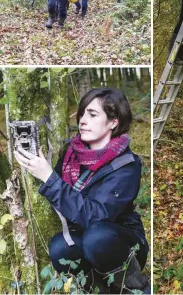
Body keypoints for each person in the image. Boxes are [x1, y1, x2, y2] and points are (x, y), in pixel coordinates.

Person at [13, 88, 149, 293]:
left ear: (114, 122)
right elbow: (61, 197)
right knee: (60, 247)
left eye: (92, 115)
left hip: (121, 242)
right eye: (83, 113)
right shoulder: (71, 153)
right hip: (83, 236)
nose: (83, 120)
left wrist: (49, 178)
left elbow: (96, 216)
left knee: (98, 236)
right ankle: (97, 290)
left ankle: (133, 287)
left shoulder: (126, 166)